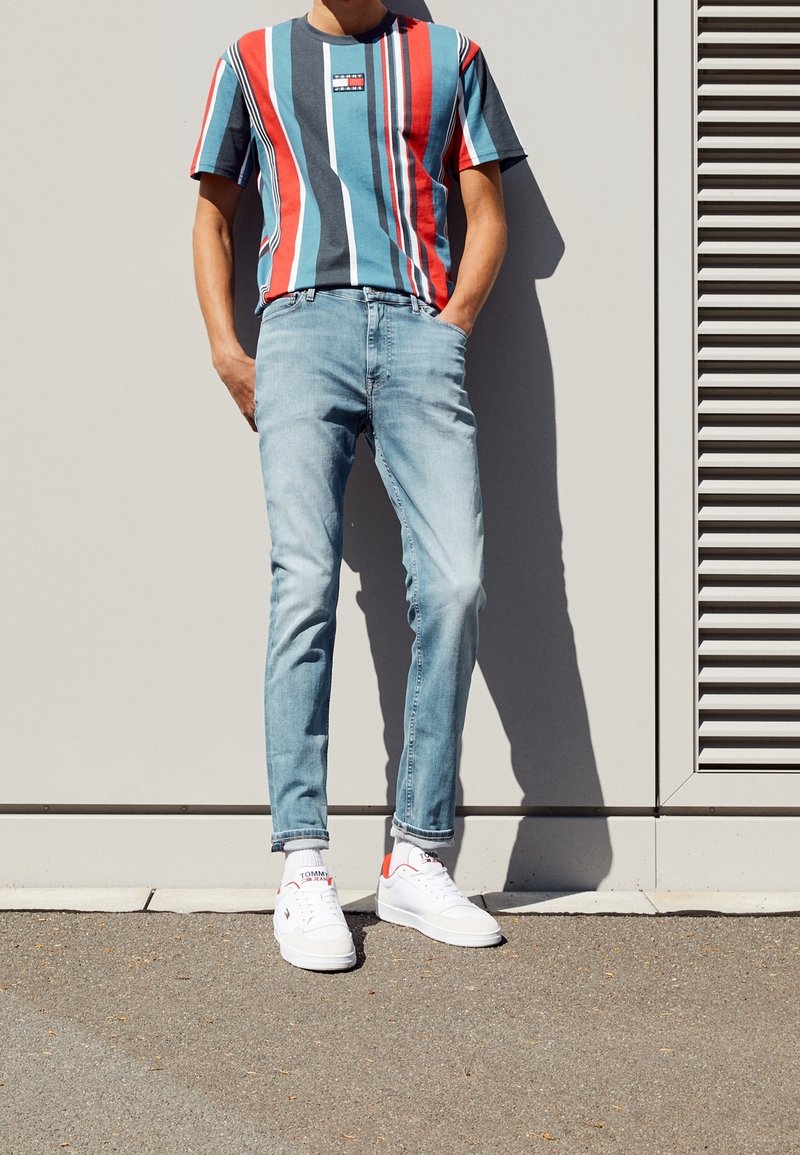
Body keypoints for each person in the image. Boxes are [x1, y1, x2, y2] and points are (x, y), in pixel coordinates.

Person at [190, 0, 527, 972]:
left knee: (456, 584)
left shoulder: (450, 56)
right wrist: (227, 350)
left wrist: (449, 325)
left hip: (418, 329)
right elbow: (214, 215)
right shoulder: (251, 60)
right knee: (302, 584)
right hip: (298, 330)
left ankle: (416, 856)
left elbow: (485, 213)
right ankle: (302, 864)